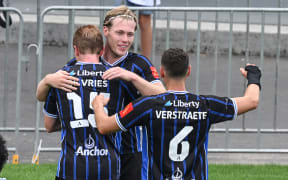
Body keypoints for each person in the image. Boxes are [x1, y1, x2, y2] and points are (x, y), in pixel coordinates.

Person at [36, 5, 166, 180]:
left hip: (131, 152)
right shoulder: (77, 64)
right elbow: (49, 97)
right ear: (106, 30)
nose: (125, 40)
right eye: (119, 33)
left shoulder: (139, 63)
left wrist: (132, 77)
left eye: (130, 34)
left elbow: (163, 97)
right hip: (99, 155)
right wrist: (48, 80)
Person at [92, 48, 261, 180]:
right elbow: (252, 100)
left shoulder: (147, 105)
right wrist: (253, 76)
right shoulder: (205, 106)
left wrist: (98, 105)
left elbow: (104, 126)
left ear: (162, 72)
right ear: (188, 71)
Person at [41, 25, 120, 180]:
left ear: (75, 50)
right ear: (102, 50)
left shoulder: (60, 78)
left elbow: (49, 125)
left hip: (71, 167)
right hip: (107, 167)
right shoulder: (116, 78)